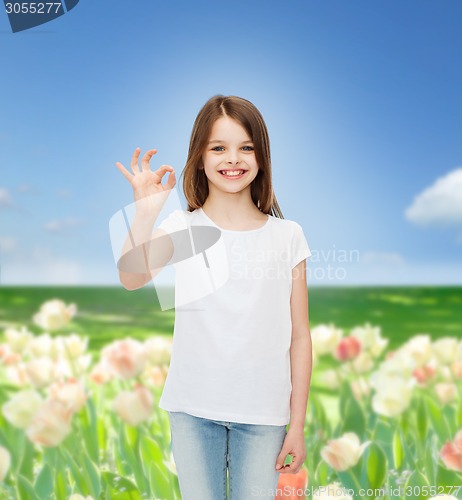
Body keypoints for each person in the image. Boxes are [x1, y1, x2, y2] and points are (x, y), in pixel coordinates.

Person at [115, 95, 313, 499]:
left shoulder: (287, 235)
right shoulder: (182, 227)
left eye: (246, 148)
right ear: (200, 157)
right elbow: (132, 277)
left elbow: (300, 337)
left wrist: (297, 425)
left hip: (264, 415)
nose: (232, 159)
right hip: (192, 410)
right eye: (218, 148)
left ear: (261, 157)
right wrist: (146, 211)